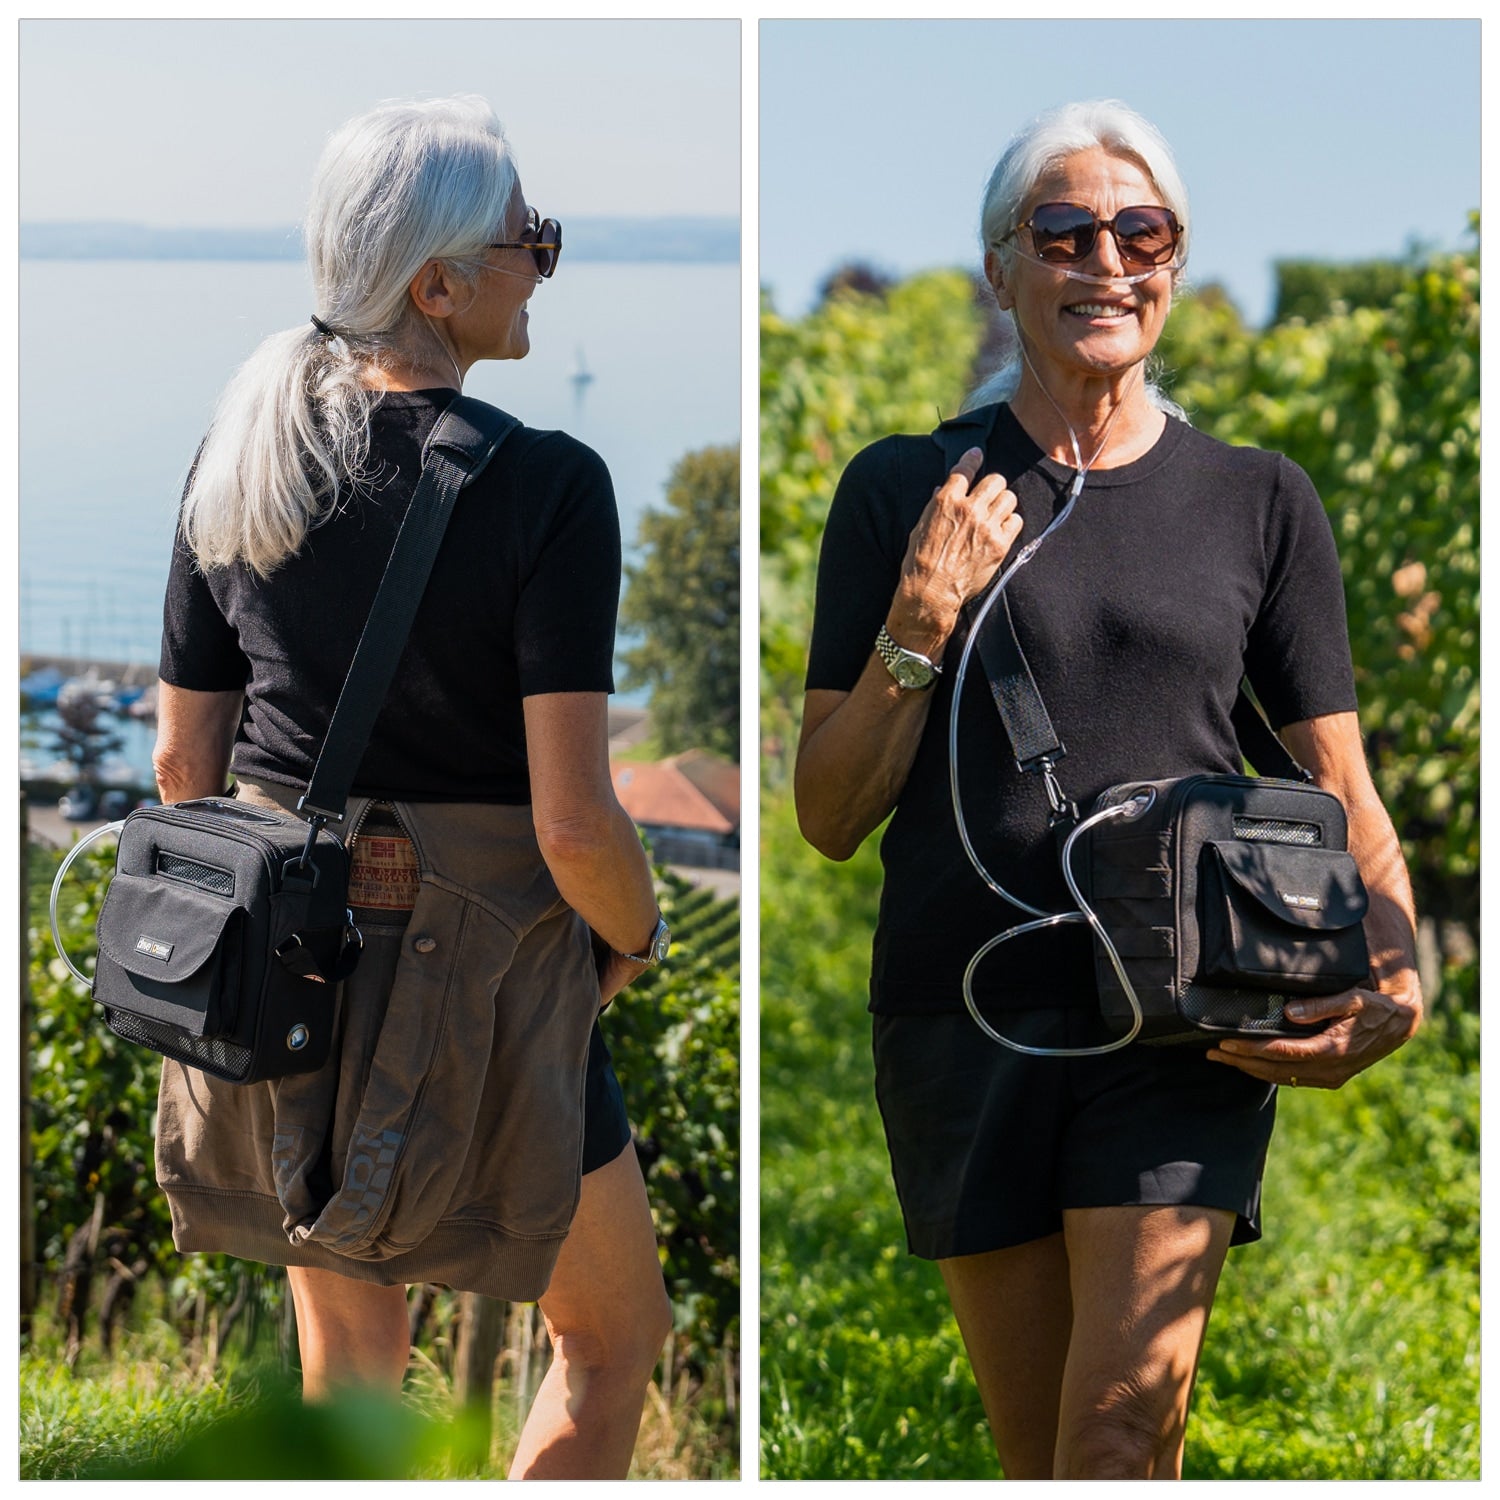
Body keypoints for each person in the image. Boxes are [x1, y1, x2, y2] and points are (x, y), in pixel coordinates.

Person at [794, 99, 1423, 1481]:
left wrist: (1400, 965)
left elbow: (1341, 779)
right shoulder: (900, 489)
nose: (1106, 261)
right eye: (1064, 231)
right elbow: (830, 817)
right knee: (1039, 1456)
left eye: (1141, 232)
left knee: (1123, 1433)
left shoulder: (1260, 501)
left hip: (1188, 1018)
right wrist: (919, 616)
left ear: (1176, 264)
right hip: (963, 1018)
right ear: (999, 269)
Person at [149, 96, 672, 1480]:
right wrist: (636, 934)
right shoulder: (549, 486)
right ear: (436, 285)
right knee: (615, 1341)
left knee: (353, 1385)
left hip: (285, 983)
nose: (545, 263)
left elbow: (183, 774)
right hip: (488, 980)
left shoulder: (241, 453)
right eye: (530, 240)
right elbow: (573, 820)